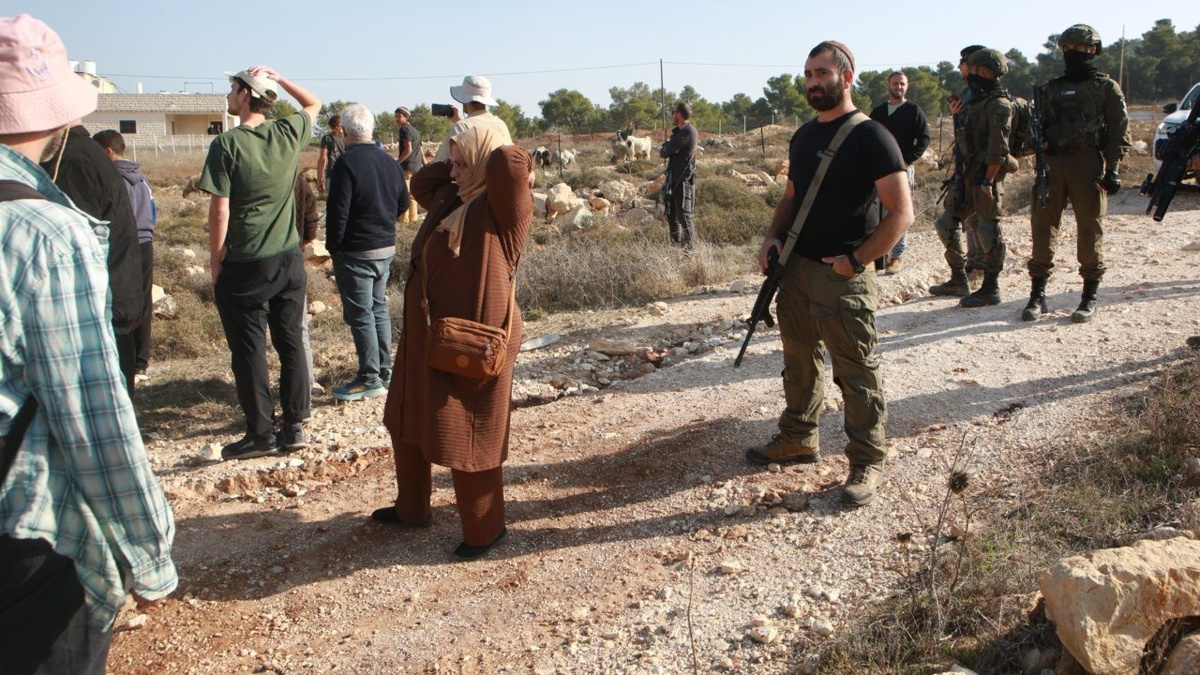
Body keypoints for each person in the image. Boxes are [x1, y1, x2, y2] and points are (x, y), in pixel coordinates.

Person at [0, 14, 176, 673]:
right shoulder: (44, 233)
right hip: (27, 532)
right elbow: (90, 412)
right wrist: (147, 552)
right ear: (61, 114)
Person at [745, 40, 913, 508]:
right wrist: (772, 238)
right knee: (799, 360)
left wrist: (856, 261)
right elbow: (791, 198)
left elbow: (901, 213)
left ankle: (867, 460)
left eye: (822, 73)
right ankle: (798, 437)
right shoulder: (803, 136)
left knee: (856, 371)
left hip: (842, 275)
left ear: (847, 76)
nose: (813, 83)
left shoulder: (872, 136)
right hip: (796, 270)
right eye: (808, 75)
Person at [380, 127, 532, 560]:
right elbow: (420, 183)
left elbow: (509, 164)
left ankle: (486, 531)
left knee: (470, 431)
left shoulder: (503, 209)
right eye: (455, 163)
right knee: (407, 416)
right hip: (430, 333)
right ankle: (412, 509)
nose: (456, 171)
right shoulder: (453, 197)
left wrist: (487, 133)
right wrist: (456, 151)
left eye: (465, 164)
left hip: (473, 341)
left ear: (485, 164)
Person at [197, 65, 320, 460]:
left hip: (247, 262)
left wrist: (215, 261)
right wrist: (280, 79)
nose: (228, 94)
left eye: (232, 87)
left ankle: (261, 434)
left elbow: (220, 211)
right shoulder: (286, 132)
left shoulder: (227, 145)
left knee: (249, 350)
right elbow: (313, 103)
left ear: (245, 94)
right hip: (288, 259)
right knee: (290, 342)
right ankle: (295, 425)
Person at [1023, 24, 1130, 324]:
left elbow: (1119, 132)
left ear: (1093, 50)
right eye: (1069, 49)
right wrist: (1037, 142)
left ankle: (1089, 296)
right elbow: (1033, 130)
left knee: (1089, 229)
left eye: (1080, 49)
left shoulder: (1105, 88)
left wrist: (1114, 169)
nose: (1074, 53)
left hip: (1087, 163)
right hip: (1053, 164)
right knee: (1042, 228)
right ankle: (1037, 295)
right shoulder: (1051, 89)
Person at [40, 127, 143, 395]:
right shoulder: (83, 154)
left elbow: (75, 247)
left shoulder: (72, 161)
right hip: (113, 298)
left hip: (100, 309)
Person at [325, 103, 409, 401]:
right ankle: (385, 371)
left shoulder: (345, 163)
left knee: (361, 314)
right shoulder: (389, 162)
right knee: (378, 308)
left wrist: (334, 248)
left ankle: (369, 377)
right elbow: (403, 203)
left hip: (357, 251)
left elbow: (338, 212)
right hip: (385, 247)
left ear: (345, 132)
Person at [93, 129, 157, 384]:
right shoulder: (142, 179)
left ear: (108, 151)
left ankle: (125, 361)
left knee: (121, 302)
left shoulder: (113, 180)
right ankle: (141, 361)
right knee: (144, 301)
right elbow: (153, 211)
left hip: (125, 245)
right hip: (146, 243)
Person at [956, 48, 1014, 308]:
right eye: (973, 70)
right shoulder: (976, 101)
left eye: (980, 71)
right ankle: (963, 277)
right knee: (966, 223)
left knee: (989, 228)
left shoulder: (999, 105)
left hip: (987, 175)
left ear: (991, 73)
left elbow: (997, 149)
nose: (974, 74)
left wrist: (988, 181)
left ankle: (991, 286)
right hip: (971, 172)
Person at [930, 45, 987, 297]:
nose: (958, 67)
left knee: (980, 222)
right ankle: (963, 275)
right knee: (955, 221)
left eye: (962, 63)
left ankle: (983, 275)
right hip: (965, 168)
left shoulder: (989, 96)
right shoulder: (968, 94)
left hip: (983, 169)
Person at [869, 71, 930, 273]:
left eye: (902, 84)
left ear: (907, 86)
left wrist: (908, 160)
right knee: (877, 212)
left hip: (902, 170)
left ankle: (896, 256)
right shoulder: (878, 112)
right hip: (878, 170)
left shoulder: (913, 111)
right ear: (889, 85)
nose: (899, 87)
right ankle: (879, 256)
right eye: (895, 83)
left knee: (900, 210)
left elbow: (924, 138)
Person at [432, 75, 513, 162]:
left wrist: (460, 123)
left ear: (464, 100)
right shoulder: (501, 124)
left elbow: (440, 162)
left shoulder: (460, 127)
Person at [293, 173, 322, 397]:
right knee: (298, 331)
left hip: (250, 267)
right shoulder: (297, 180)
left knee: (254, 338)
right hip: (291, 260)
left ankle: (259, 407)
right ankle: (304, 394)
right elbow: (311, 223)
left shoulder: (243, 174)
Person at [659, 101, 699, 247]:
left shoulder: (688, 132)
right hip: (673, 179)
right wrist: (669, 147)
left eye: (673, 112)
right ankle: (676, 248)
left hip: (683, 180)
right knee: (672, 216)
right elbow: (664, 151)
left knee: (684, 215)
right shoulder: (679, 132)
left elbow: (668, 149)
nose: (672, 115)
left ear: (679, 115)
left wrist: (669, 147)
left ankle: (689, 251)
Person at [394, 106, 423, 224]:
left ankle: (404, 220)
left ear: (406, 117)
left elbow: (408, 149)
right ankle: (414, 218)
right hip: (416, 166)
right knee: (412, 194)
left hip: (407, 167)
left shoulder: (404, 130)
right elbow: (421, 150)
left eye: (399, 116)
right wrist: (425, 165)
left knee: (404, 194)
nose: (397, 119)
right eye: (396, 116)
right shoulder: (415, 131)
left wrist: (397, 162)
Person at [315, 114, 344, 198]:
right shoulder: (348, 137)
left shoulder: (327, 138)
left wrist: (319, 180)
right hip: (346, 175)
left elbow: (322, 159)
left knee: (332, 203)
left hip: (332, 175)